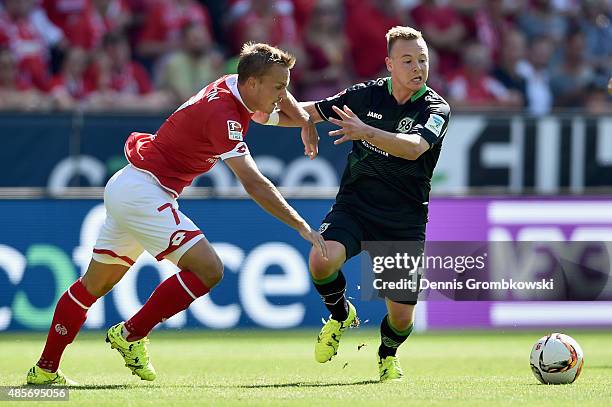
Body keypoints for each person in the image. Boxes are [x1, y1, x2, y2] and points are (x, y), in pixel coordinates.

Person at [26, 42, 327, 385]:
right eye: (279, 87)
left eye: (286, 86)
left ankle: (44, 371)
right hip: (145, 192)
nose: (283, 94)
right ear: (254, 83)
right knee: (209, 269)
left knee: (91, 286)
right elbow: (254, 183)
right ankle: (130, 334)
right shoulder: (224, 114)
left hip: (129, 185)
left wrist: (305, 119)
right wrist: (301, 226)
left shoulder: (236, 83)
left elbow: (277, 109)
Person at [259, 26, 451, 382]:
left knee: (402, 318)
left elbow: (413, 148)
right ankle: (340, 314)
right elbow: (311, 111)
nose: (417, 67)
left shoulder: (436, 107)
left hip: (403, 218)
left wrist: (366, 132)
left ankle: (387, 354)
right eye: (407, 60)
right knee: (320, 259)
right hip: (356, 206)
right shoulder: (366, 96)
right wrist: (264, 115)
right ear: (389, 64)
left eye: (422, 59)